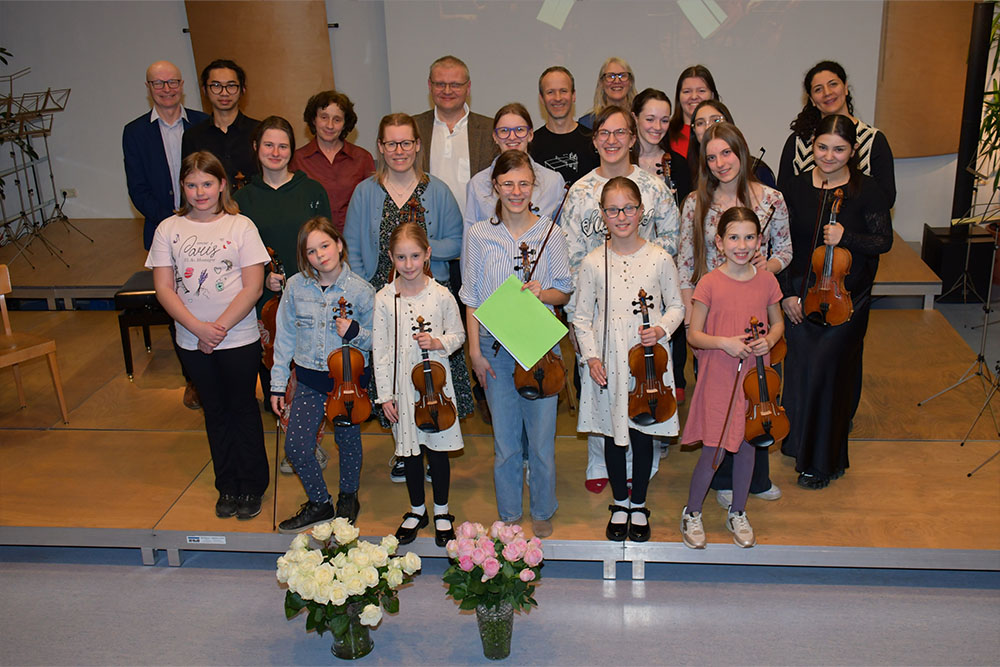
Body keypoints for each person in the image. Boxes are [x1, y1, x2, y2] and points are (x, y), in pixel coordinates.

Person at [344, 113, 473, 481]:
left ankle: (435, 442)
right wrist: (367, 294)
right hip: (383, 297)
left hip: (429, 300)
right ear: (380, 148)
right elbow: (353, 247)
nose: (398, 151)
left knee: (431, 374)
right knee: (393, 370)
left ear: (417, 146)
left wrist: (421, 249)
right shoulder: (366, 191)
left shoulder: (438, 190)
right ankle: (405, 448)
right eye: (390, 143)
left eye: (406, 143)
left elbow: (456, 240)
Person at [145, 151, 269, 520]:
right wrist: (198, 329)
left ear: (222, 186)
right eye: (192, 184)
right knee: (215, 412)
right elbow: (164, 288)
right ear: (182, 187)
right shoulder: (169, 229)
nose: (200, 192)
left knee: (243, 409)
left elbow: (253, 286)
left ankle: (252, 485)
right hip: (192, 340)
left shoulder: (240, 226)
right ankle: (227, 485)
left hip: (238, 338)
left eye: (207, 184)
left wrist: (219, 329)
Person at [561, 105, 679, 493]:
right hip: (594, 307)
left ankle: (643, 457)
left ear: (632, 138)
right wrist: (579, 314)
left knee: (642, 381)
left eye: (620, 133)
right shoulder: (579, 191)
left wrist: (644, 276)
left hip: (644, 306)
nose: (612, 141)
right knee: (598, 382)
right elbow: (569, 252)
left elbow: (671, 239)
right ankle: (600, 458)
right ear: (594, 141)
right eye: (604, 134)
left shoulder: (653, 187)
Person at [677, 121, 791, 503]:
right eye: (711, 157)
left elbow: (785, 252)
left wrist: (763, 271)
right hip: (713, 319)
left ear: (741, 151)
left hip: (756, 310)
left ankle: (752, 483)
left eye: (726, 152)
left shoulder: (771, 198)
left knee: (756, 398)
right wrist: (693, 325)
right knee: (718, 404)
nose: (720, 162)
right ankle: (721, 485)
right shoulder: (696, 202)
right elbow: (687, 264)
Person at [461, 151, 573, 538]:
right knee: (506, 441)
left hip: (540, 347)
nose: (516, 191)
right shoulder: (478, 235)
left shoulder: (550, 233)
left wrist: (544, 293)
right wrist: (474, 352)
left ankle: (543, 509)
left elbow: (564, 291)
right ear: (495, 186)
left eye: (523, 183)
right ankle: (508, 513)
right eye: (507, 183)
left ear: (533, 186)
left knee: (541, 442)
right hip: (494, 347)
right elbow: (471, 297)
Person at [778, 114, 892, 489]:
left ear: (853, 151)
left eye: (839, 149)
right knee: (801, 373)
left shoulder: (868, 190)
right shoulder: (793, 188)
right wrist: (787, 292)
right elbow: (783, 246)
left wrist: (846, 237)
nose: (829, 156)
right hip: (802, 294)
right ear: (813, 146)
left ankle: (823, 463)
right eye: (823, 147)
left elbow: (883, 241)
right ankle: (799, 443)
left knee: (828, 376)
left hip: (848, 300)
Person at [572, 177, 684, 542]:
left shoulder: (659, 258)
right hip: (607, 360)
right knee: (613, 435)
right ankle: (619, 503)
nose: (621, 216)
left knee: (642, 432)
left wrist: (662, 329)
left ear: (641, 211)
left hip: (644, 361)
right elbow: (582, 317)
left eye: (628, 208)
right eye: (612, 210)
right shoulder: (592, 262)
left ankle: (639, 504)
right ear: (602, 215)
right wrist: (591, 357)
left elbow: (677, 306)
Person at [679, 207, 785, 550]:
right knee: (714, 448)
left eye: (749, 237)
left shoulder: (767, 280)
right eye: (734, 237)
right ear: (720, 242)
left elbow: (778, 322)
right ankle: (692, 511)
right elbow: (694, 335)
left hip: (756, 380)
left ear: (759, 241)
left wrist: (768, 339)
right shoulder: (710, 283)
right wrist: (724, 342)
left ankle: (738, 511)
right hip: (719, 378)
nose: (742, 244)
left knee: (749, 445)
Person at [233, 116, 332, 473]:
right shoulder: (242, 198)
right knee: (281, 372)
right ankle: (295, 440)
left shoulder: (311, 191)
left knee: (310, 373)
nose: (276, 152)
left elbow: (326, 245)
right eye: (268, 145)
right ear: (256, 149)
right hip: (267, 301)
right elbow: (237, 254)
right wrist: (264, 276)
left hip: (310, 294)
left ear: (293, 150)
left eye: (283, 145)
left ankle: (308, 442)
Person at [270, 217, 374, 533]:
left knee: (348, 440)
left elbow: (379, 339)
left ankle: (348, 496)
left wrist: (355, 332)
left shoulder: (361, 291)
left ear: (339, 245)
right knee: (297, 446)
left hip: (348, 382)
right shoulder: (295, 287)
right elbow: (284, 335)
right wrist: (277, 384)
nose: (320, 255)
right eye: (311, 251)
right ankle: (319, 503)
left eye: (325, 245)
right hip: (310, 380)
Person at [123, 59, 208, 410]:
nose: (166, 88)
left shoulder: (201, 124)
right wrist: (170, 225)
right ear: (149, 89)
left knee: (207, 296)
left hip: (205, 228)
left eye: (172, 81)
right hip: (163, 230)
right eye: (158, 83)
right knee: (177, 307)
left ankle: (215, 368)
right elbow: (137, 188)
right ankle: (194, 379)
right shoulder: (135, 131)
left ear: (182, 84)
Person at [373, 223, 465, 546]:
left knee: (437, 453)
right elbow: (380, 350)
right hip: (402, 388)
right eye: (401, 257)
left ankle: (441, 511)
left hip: (434, 390)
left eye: (415, 256)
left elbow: (459, 335)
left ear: (427, 254)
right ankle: (416, 510)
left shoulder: (441, 295)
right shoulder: (385, 299)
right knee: (409, 454)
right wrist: (385, 395)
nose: (408, 264)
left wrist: (437, 341)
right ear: (391, 257)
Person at [631, 88, 692, 407]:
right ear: (635, 118)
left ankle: (669, 386)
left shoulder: (679, 164)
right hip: (626, 263)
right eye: (650, 118)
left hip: (667, 262)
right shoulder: (621, 160)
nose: (657, 126)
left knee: (668, 321)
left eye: (665, 119)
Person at [777, 60, 896, 207]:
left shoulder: (873, 139)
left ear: (845, 88)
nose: (827, 93)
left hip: (855, 228)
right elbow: (783, 195)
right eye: (818, 89)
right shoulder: (798, 140)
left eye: (833, 84)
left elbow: (886, 198)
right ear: (812, 99)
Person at [464, 103, 565, 240]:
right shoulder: (477, 184)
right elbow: (469, 241)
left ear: (530, 134)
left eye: (520, 130)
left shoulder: (553, 181)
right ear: (495, 136)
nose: (512, 137)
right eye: (504, 131)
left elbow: (562, 237)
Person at [413, 55, 498, 216]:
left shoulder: (490, 130)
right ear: (430, 85)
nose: (447, 91)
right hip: (426, 231)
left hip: (478, 230)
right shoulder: (413, 128)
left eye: (455, 85)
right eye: (440, 84)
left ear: (468, 87)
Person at [289, 90, 374, 234]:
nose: (330, 125)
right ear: (314, 120)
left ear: (345, 124)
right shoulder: (297, 160)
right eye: (324, 117)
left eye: (337, 119)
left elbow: (373, 206)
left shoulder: (362, 158)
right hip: (314, 242)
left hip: (355, 240)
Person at [181, 59, 260, 190]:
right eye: (216, 86)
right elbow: (188, 184)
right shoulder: (192, 137)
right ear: (205, 90)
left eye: (231, 86)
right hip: (210, 209)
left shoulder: (259, 131)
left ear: (243, 90)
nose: (224, 93)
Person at [530, 66, 599, 185]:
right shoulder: (531, 146)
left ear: (573, 95)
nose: (558, 98)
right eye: (550, 92)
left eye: (563, 91)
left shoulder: (594, 142)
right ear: (542, 98)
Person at [688, 100, 776, 189]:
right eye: (700, 123)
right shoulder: (688, 170)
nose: (708, 127)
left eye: (716, 120)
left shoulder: (759, 170)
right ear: (694, 130)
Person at [666, 65, 720, 161]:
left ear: (712, 95)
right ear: (679, 97)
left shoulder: (726, 133)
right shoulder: (665, 133)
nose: (694, 96)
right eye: (687, 91)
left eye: (701, 91)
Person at [578, 57, 637, 130]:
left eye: (622, 75)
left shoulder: (640, 120)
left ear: (630, 82)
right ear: (601, 83)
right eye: (610, 76)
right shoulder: (587, 123)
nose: (617, 81)